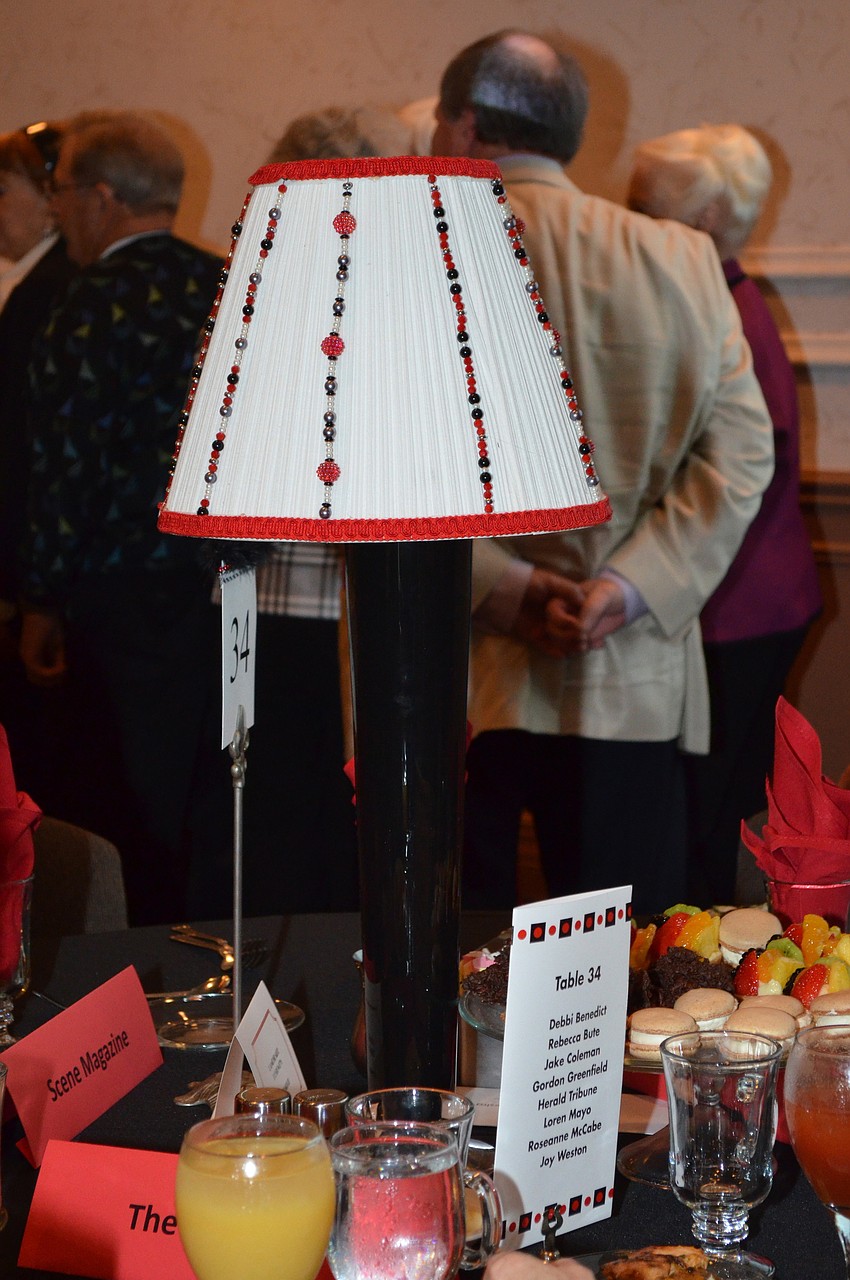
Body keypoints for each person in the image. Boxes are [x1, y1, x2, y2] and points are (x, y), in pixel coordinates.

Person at [432, 31, 774, 914]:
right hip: (625, 662)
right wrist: (628, 584)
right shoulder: (681, 258)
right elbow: (740, 453)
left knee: (451, 957)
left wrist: (504, 587)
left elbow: (369, 476)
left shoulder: (413, 255)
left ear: (465, 125)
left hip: (455, 670)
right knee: (614, 960)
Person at [186, 106, 410, 919]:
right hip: (297, 591)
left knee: (286, 809)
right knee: (307, 808)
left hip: (292, 589)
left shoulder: (261, 283)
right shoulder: (382, 294)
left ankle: (299, 987)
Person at [19, 111, 220, 924]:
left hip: (118, 591)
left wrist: (39, 598)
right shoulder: (231, 284)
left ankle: (137, 958)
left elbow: (66, 462)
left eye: (59, 189)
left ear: (102, 198)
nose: (56, 210)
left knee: (117, 789)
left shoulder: (85, 301)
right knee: (204, 779)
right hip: (224, 580)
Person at [628, 125, 822, 904]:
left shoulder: (725, 312)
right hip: (750, 602)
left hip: (735, 608)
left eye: (643, 206)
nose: (627, 220)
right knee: (704, 816)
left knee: (695, 821)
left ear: (701, 221)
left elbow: (733, 474)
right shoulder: (727, 300)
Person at [0, 122, 75, 802]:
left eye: (2, 189)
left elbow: (29, 452)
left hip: (38, 581)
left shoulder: (44, 291)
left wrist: (32, 597)